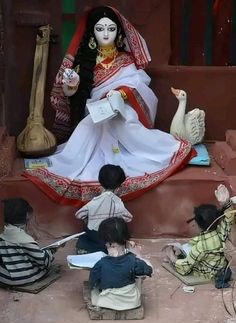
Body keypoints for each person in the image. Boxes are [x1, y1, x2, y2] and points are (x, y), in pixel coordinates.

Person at [23, 5, 194, 206]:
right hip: (94, 109)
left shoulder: (125, 59)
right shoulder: (85, 61)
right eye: (100, 29)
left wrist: (120, 93)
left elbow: (138, 84)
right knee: (92, 126)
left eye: (111, 29)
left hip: (120, 107)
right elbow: (71, 94)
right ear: (92, 32)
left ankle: (149, 152)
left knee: (123, 120)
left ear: (118, 32)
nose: (105, 33)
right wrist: (71, 85)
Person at [164, 184, 234, 287]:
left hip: (208, 272)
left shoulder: (201, 246)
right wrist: (226, 203)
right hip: (220, 265)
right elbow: (228, 219)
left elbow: (184, 269)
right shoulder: (221, 233)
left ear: (198, 224)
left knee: (180, 257)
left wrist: (172, 258)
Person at [89, 217, 153, 310]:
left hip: (106, 302)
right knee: (139, 274)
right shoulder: (133, 260)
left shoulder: (101, 263)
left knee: (95, 285)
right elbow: (149, 270)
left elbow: (93, 281)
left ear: (106, 243)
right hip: (132, 303)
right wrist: (138, 255)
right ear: (126, 239)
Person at [0, 198, 61, 286]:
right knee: (45, 266)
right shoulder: (25, 240)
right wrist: (52, 250)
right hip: (22, 279)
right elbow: (43, 261)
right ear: (27, 215)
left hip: (4, 277)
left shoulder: (3, 234)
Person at [75, 164, 132, 254]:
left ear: (101, 182)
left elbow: (79, 214)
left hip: (93, 237)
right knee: (119, 226)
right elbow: (128, 218)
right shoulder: (117, 203)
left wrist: (89, 218)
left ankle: (86, 250)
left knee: (86, 231)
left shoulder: (94, 202)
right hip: (109, 240)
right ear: (118, 187)